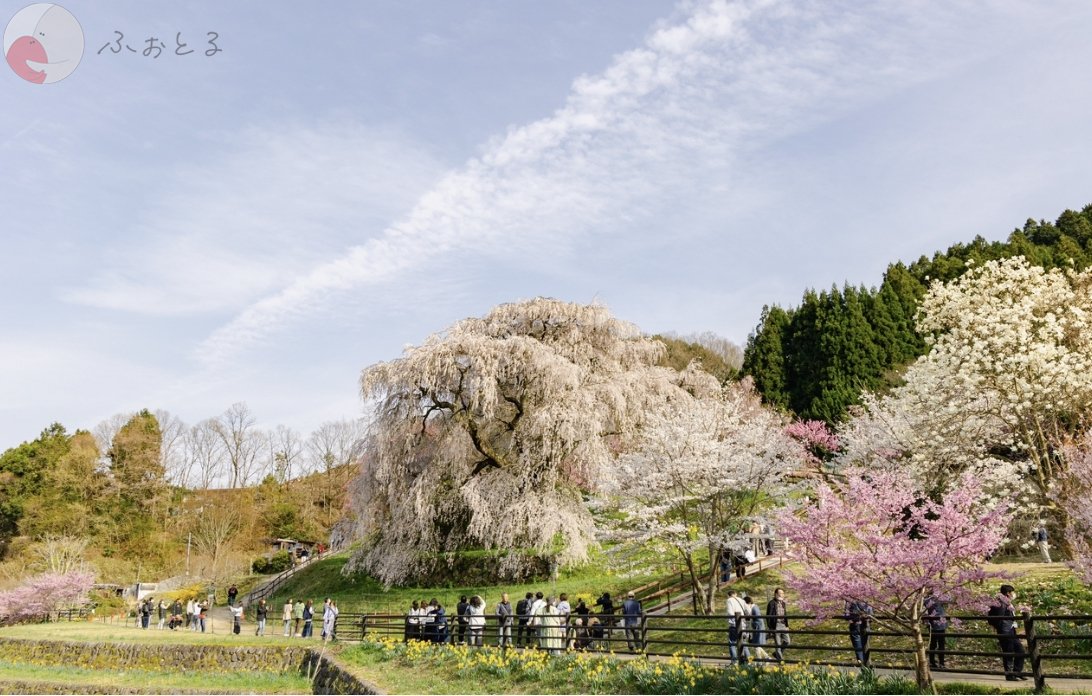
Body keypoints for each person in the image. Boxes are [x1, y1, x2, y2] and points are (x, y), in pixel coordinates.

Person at [988, 584, 1027, 681]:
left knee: (1020, 650)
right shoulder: (1000, 603)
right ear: (1008, 593)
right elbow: (997, 618)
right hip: (1005, 630)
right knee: (1008, 652)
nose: (1014, 594)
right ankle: (1009, 674)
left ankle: (1017, 672)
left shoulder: (1007, 603)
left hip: (1011, 629)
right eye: (1012, 592)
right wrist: (1000, 628)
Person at [924, 590, 948, 670]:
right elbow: (949, 599)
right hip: (940, 624)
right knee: (940, 644)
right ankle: (941, 663)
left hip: (933, 625)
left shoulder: (926, 600)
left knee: (933, 644)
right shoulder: (938, 598)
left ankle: (932, 662)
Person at [845, 599, 873, 666]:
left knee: (859, 650)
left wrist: (853, 618)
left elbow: (846, 615)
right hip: (866, 626)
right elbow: (871, 614)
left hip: (855, 626)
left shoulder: (850, 599)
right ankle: (868, 671)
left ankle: (864, 669)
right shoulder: (867, 598)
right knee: (866, 648)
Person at [725, 589, 749, 664]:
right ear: (736, 594)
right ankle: (748, 660)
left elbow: (730, 612)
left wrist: (731, 619)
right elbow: (748, 610)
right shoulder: (741, 600)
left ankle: (734, 661)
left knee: (732, 643)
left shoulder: (729, 600)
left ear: (728, 595)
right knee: (743, 643)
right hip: (743, 624)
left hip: (734, 624)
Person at [766, 588, 790, 661]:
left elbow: (785, 614)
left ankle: (776, 654)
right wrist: (770, 627)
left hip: (782, 624)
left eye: (782, 593)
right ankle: (780, 660)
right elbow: (768, 616)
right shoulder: (771, 603)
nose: (781, 595)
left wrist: (787, 625)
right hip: (775, 625)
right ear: (775, 594)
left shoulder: (783, 603)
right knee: (778, 644)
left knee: (787, 641)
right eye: (780, 593)